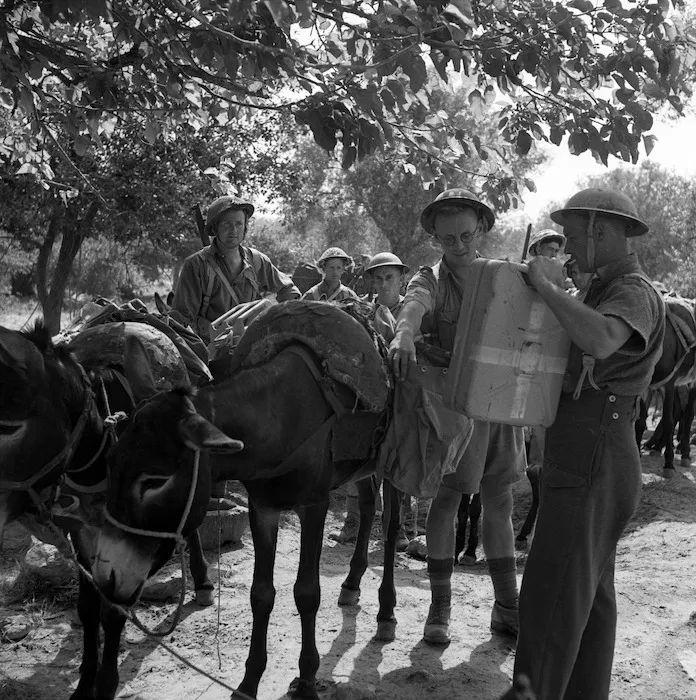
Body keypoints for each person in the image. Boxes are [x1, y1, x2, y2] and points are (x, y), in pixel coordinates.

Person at [513, 188, 665, 700]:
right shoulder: (599, 291)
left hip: (596, 452)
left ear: (602, 232)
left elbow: (600, 340)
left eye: (576, 236)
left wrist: (546, 286)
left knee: (551, 596)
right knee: (588, 598)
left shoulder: (635, 291)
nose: (571, 250)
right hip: (586, 451)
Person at [389, 189, 527, 645]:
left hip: (503, 403)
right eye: (449, 239)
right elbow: (413, 306)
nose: (460, 245)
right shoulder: (429, 279)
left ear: (482, 229)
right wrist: (405, 332)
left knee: (500, 501)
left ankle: (507, 607)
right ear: (436, 239)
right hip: (455, 408)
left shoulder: (508, 277)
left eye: (467, 235)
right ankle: (439, 609)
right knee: (447, 502)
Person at [330, 251, 411, 547]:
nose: (384, 283)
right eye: (378, 278)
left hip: (404, 400)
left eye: (390, 277)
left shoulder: (413, 313)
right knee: (359, 461)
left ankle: (397, 528)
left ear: (402, 279)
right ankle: (353, 524)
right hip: (369, 401)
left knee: (399, 465)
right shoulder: (364, 311)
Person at [172, 195, 300, 345]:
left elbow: (289, 291)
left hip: (254, 344)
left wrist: (280, 319)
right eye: (226, 224)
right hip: (212, 350)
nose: (233, 230)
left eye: (238, 224)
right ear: (215, 228)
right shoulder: (196, 265)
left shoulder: (257, 260)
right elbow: (181, 319)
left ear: (245, 227)